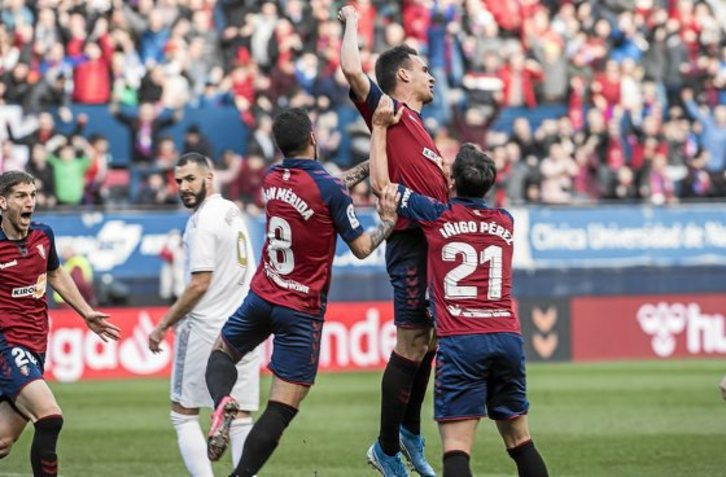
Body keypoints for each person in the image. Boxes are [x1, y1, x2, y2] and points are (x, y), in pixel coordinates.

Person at [203, 107, 398, 477]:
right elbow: (360, 247)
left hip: (263, 295)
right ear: (313, 137)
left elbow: (329, 186)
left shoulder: (272, 177)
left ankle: (223, 400)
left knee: (222, 353)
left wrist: (368, 167)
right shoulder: (328, 188)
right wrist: (387, 222)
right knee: (280, 408)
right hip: (301, 309)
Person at [372, 97, 549, 477]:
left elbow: (385, 188)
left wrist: (380, 128)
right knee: (521, 442)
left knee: (456, 451)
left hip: (462, 341)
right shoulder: (506, 221)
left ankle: (393, 446)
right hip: (507, 338)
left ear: (451, 181)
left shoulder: (437, 216)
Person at [339, 6, 448, 476]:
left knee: (428, 341)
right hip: (408, 243)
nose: (431, 76)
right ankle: (386, 448)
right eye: (423, 69)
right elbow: (351, 68)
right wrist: (352, 21)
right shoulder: (390, 110)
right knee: (411, 342)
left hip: (433, 243)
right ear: (403, 75)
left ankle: (409, 434)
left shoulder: (420, 128)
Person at [147, 153, 260, 477]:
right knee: (241, 417)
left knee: (183, 413)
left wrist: (163, 324)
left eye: (190, 179)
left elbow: (200, 283)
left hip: (205, 327)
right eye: (178, 181)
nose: (183, 186)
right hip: (244, 325)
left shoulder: (200, 222)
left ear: (209, 178)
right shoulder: (232, 212)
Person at [0, 170, 120, 477]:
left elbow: (54, 273)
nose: (30, 202)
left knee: (3, 441)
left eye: (32, 195)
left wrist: (86, 312)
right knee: (49, 416)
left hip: (35, 345)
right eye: (21, 196)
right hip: (6, 344)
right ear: (2, 202)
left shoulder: (43, 236)